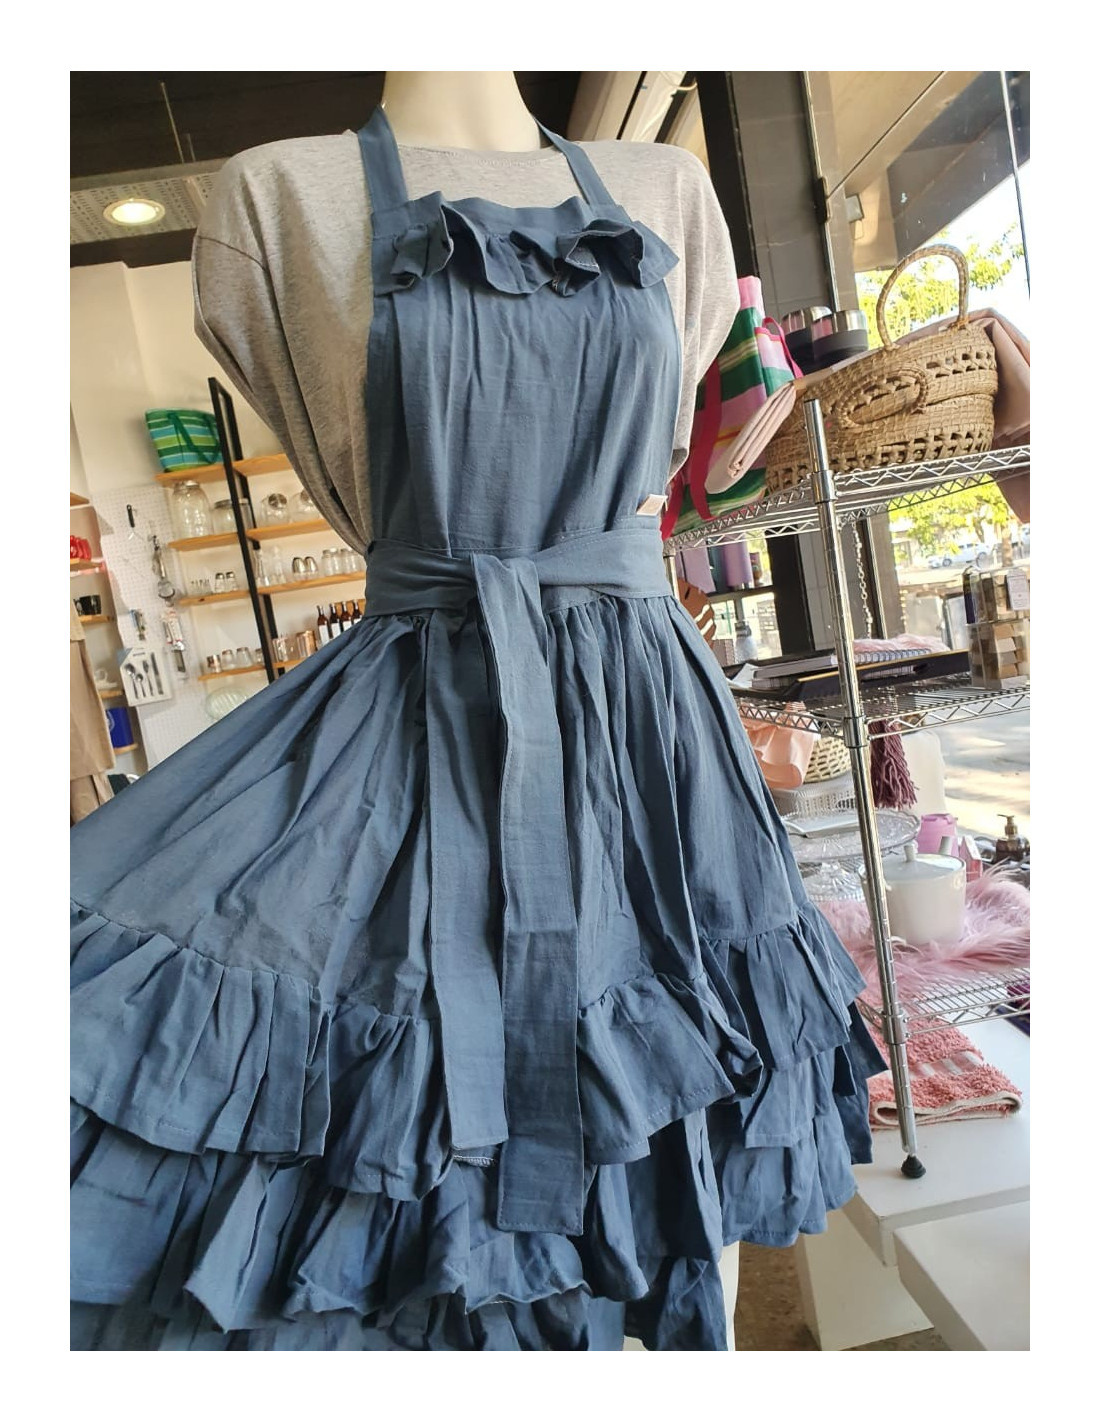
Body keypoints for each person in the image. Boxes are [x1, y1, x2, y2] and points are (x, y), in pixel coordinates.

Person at [70, 72, 884, 1351]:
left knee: (674, 1111)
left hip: (648, 740)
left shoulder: (666, 186)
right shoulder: (275, 194)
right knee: (411, 1123)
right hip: (415, 721)